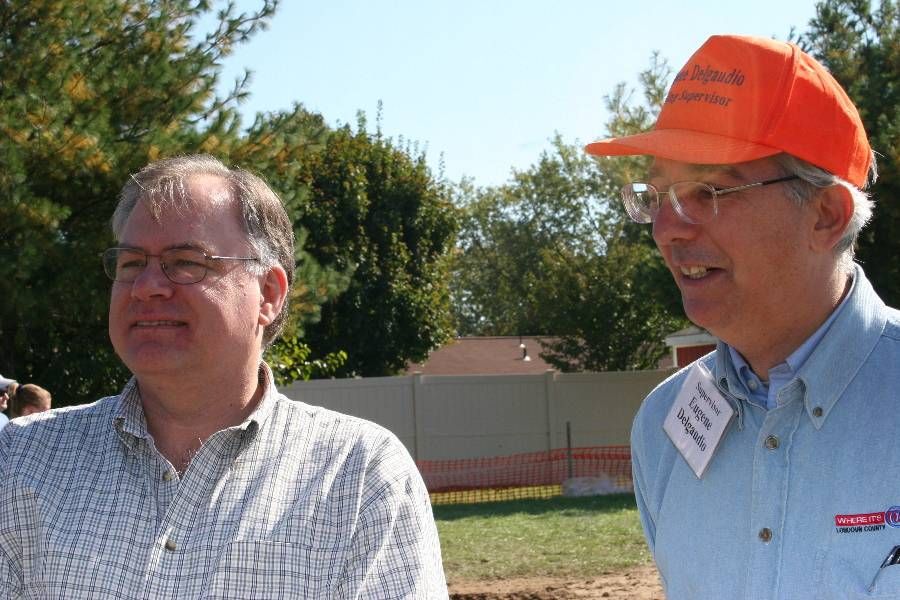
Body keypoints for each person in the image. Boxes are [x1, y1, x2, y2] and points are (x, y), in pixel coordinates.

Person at [0, 155, 447, 598]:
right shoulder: (20, 460)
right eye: (131, 264)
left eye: (186, 261)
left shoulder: (360, 477)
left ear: (267, 293)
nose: (146, 286)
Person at [585, 35, 899, 598]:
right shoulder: (663, 428)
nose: (666, 229)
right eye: (656, 195)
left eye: (707, 190)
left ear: (826, 215)